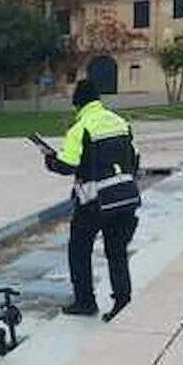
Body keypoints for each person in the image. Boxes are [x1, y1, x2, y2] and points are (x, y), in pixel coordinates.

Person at [43, 79, 141, 322]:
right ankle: (122, 301)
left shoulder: (80, 128)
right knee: (117, 251)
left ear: (77, 104)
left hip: (94, 202)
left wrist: (50, 160)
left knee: (79, 249)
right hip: (126, 197)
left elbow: (67, 165)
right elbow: (135, 158)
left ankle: (85, 302)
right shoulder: (120, 122)